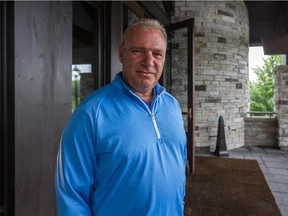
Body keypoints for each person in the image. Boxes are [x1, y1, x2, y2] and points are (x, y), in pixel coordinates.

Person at [55, 18, 187, 216]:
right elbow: (71, 196)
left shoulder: (172, 106)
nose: (149, 61)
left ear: (164, 59)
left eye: (157, 54)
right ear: (121, 54)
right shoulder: (91, 113)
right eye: (138, 51)